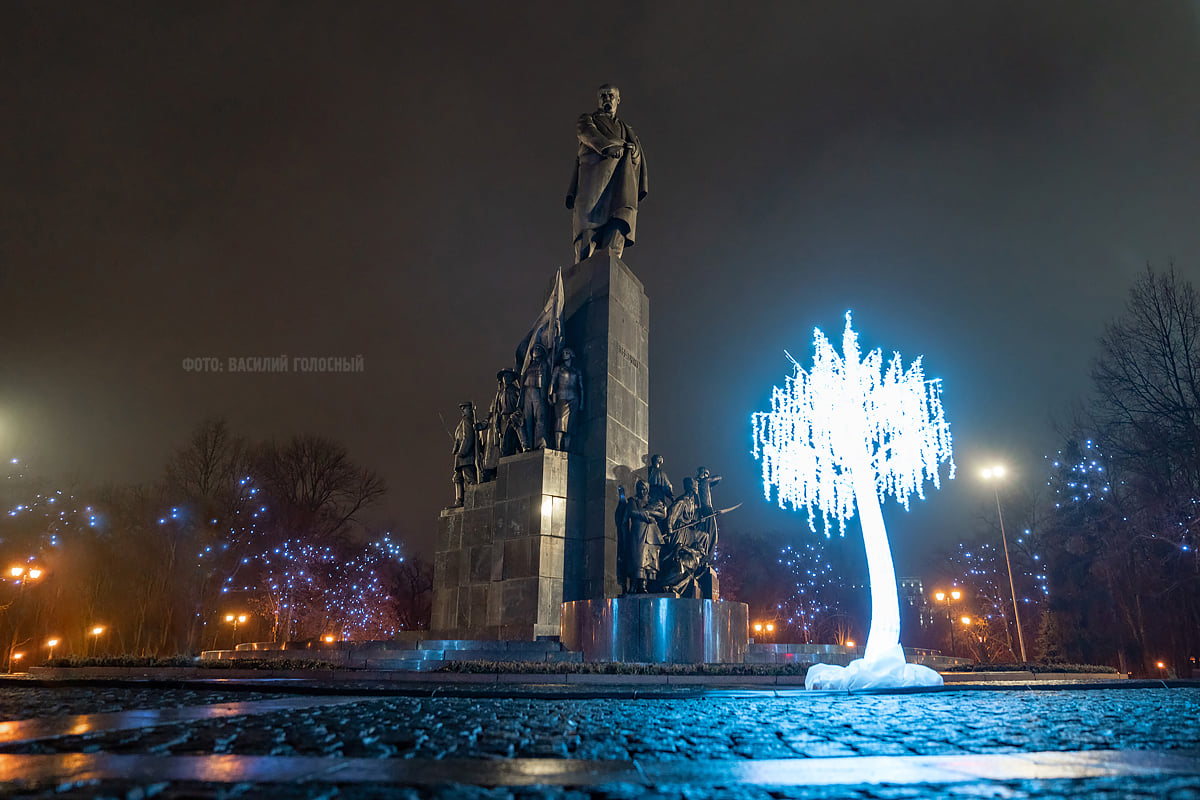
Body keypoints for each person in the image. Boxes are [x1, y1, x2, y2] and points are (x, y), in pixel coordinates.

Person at [566, 84, 648, 263]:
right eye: (603, 96)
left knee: (619, 221)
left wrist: (633, 152)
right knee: (588, 227)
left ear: (618, 100)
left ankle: (612, 263)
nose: (607, 99)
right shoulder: (588, 119)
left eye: (611, 96)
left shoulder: (628, 130)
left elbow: (638, 158)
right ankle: (583, 268)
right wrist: (611, 146)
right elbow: (587, 134)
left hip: (621, 182)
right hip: (593, 182)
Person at [622, 479, 664, 594]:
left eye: (644, 489)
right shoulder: (633, 501)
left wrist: (648, 512)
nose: (642, 491)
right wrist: (646, 514)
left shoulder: (652, 501)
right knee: (638, 560)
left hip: (652, 534)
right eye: (640, 488)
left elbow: (663, 514)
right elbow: (633, 512)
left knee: (650, 562)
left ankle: (644, 586)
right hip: (638, 533)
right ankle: (634, 586)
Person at [548, 348, 584, 451]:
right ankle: (557, 446)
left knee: (570, 426)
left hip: (574, 399)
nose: (564, 354)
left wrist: (582, 403)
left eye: (567, 353)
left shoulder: (576, 371)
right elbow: (552, 383)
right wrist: (549, 395)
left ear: (571, 355)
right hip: (561, 397)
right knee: (559, 422)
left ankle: (567, 448)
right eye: (563, 353)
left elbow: (581, 387)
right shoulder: (558, 369)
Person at [451, 402, 482, 506]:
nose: (463, 410)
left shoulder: (467, 420)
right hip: (461, 456)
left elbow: (467, 438)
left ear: (470, 409)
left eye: (465, 408)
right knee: (457, 478)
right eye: (462, 408)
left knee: (469, 478)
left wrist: (462, 452)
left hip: (466, 456)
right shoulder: (464, 421)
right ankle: (459, 500)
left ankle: (473, 500)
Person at [521, 344, 551, 450]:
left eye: (539, 349)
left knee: (540, 419)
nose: (536, 350)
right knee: (527, 419)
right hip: (528, 392)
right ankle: (527, 445)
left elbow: (548, 380)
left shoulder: (545, 364)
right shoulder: (529, 366)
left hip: (539, 393)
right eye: (535, 349)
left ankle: (540, 443)